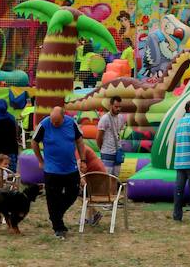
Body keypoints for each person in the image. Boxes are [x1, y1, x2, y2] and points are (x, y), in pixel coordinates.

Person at [32, 106, 86, 239]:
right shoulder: (44, 124)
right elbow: (34, 142)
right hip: (51, 170)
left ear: (64, 117)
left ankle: (55, 215)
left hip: (70, 168)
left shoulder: (71, 123)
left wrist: (83, 160)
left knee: (73, 193)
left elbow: (79, 141)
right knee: (52, 198)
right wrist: (40, 160)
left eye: (57, 122)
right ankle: (58, 227)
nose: (54, 124)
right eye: (52, 121)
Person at [77, 145, 107, 227]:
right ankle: (93, 216)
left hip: (96, 176)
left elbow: (78, 168)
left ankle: (93, 216)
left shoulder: (78, 149)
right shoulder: (80, 147)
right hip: (97, 176)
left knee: (80, 193)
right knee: (81, 193)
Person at [96, 95, 126, 176]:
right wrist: (102, 149)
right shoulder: (104, 118)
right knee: (107, 176)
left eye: (120, 107)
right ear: (111, 105)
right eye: (116, 107)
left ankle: (114, 189)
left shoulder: (121, 117)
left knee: (116, 177)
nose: (118, 109)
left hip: (118, 151)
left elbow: (119, 132)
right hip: (107, 152)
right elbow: (98, 137)